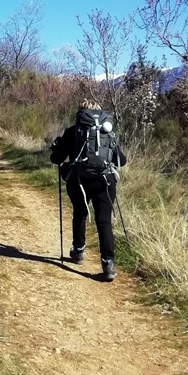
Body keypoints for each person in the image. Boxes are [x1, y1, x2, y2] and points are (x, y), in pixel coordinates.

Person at [50, 99, 127, 281]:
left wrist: (57, 147)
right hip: (105, 181)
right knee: (104, 221)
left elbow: (56, 159)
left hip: (79, 181)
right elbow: (121, 161)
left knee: (80, 212)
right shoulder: (107, 132)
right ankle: (108, 264)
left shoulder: (73, 131)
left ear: (80, 113)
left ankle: (78, 251)